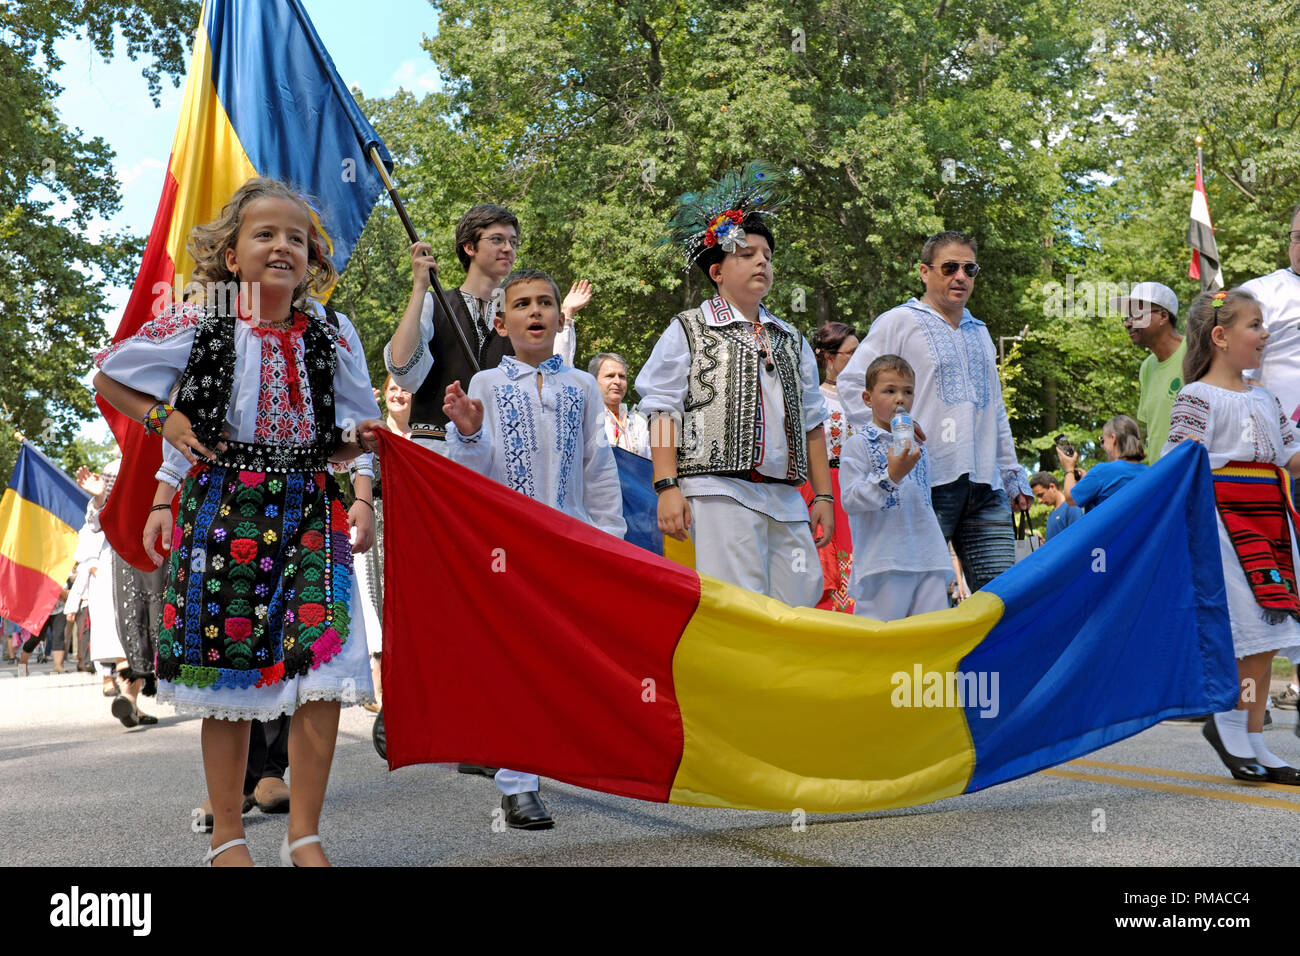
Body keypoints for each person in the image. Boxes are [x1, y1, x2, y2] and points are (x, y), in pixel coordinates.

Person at [92, 177, 382, 865]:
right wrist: (167, 418)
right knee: (228, 676)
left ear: (313, 258)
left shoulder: (335, 333)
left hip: (313, 505)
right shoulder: (199, 322)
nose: (284, 246)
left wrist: (362, 485)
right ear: (230, 256)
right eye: (266, 234)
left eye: (298, 238)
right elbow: (109, 373)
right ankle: (227, 836)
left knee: (323, 663)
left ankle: (304, 835)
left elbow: (357, 429)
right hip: (224, 506)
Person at [441, 268, 626, 829]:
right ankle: (518, 784)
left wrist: (609, 539)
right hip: (507, 547)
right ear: (502, 322)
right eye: (522, 304)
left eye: (546, 302)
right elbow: (467, 474)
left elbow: (599, 467)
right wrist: (470, 433)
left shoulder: (582, 386)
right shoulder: (486, 387)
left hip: (567, 540)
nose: (537, 311)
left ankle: (561, 755)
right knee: (515, 660)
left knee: (562, 658)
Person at [636, 162, 832, 607]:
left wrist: (822, 495)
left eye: (766, 254)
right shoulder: (688, 327)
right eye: (746, 254)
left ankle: (785, 679)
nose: (761, 260)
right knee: (742, 607)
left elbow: (813, 422)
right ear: (717, 272)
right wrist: (667, 486)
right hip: (716, 490)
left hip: (786, 496)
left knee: (801, 600)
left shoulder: (791, 337)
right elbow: (663, 409)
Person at [838, 230, 1031, 593]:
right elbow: (852, 384)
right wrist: (897, 430)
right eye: (950, 267)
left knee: (1002, 598)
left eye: (969, 269)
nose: (961, 276)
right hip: (924, 481)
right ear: (925, 272)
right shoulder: (899, 321)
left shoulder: (981, 332)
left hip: (986, 486)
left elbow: (996, 409)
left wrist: (1011, 473)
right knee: (920, 596)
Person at [1163, 288, 1300, 785]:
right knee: (1246, 634)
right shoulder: (1197, 396)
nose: (1266, 334)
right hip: (1226, 522)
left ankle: (1256, 739)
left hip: (1271, 521)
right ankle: (1229, 728)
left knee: (1269, 634)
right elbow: (1179, 465)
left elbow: (1291, 457)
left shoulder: (1265, 395)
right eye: (1255, 325)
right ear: (1220, 336)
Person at [386, 204, 589, 452]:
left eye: (513, 242)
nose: (507, 248)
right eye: (497, 239)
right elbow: (402, 370)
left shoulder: (520, 316)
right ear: (469, 247)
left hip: (499, 456)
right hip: (438, 454)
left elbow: (550, 377)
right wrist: (419, 288)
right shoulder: (434, 303)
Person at [840, 355, 953, 620]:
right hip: (884, 561)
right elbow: (850, 500)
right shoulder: (858, 444)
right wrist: (890, 476)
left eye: (907, 391)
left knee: (929, 638)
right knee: (882, 643)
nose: (900, 399)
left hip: (929, 557)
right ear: (868, 399)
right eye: (889, 391)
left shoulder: (920, 448)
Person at [77, 461, 164, 723]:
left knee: (131, 633)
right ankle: (129, 699)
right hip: (125, 561)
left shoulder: (154, 455)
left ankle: (132, 703)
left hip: (140, 555)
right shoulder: (126, 464)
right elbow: (98, 522)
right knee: (130, 631)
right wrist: (102, 498)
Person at [804, 321, 859, 612]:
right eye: (851, 353)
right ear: (829, 357)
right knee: (828, 569)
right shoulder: (814, 400)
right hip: (825, 486)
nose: (859, 359)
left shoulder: (868, 400)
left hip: (860, 490)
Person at [1115, 282, 1184, 465]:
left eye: (1137, 315)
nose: (1128, 323)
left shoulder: (1196, 353)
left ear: (1163, 316)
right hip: (1159, 476)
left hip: (1191, 475)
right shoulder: (1147, 367)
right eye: (1127, 317)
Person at [1060, 414, 1147, 512]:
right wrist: (1088, 479)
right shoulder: (1148, 472)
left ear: (1113, 439)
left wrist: (1069, 469)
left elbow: (1070, 498)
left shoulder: (1102, 472)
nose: (1104, 446)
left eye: (1103, 441)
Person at [588, 352, 650, 457]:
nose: (617, 381)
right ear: (593, 381)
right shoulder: (586, 420)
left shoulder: (639, 422)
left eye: (622, 377)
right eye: (610, 376)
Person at [1028, 472, 1082, 540]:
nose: (1039, 501)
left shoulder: (1072, 507)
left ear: (1052, 487)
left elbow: (1077, 539)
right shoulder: (1051, 514)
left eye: (1041, 495)